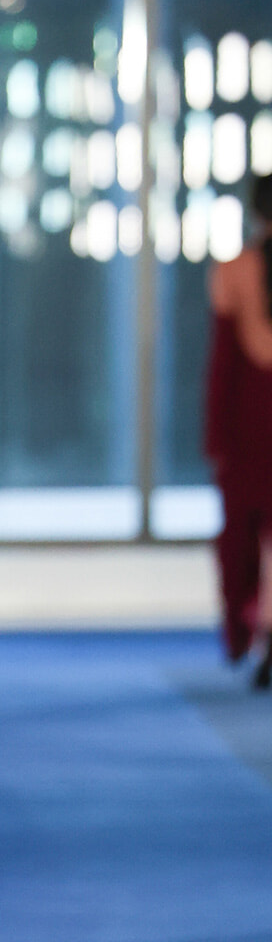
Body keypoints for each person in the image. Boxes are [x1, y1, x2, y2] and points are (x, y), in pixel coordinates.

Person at [206, 172, 272, 688]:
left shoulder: (234, 269)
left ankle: (248, 631)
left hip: (253, 417)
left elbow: (225, 360)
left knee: (243, 537)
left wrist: (216, 436)